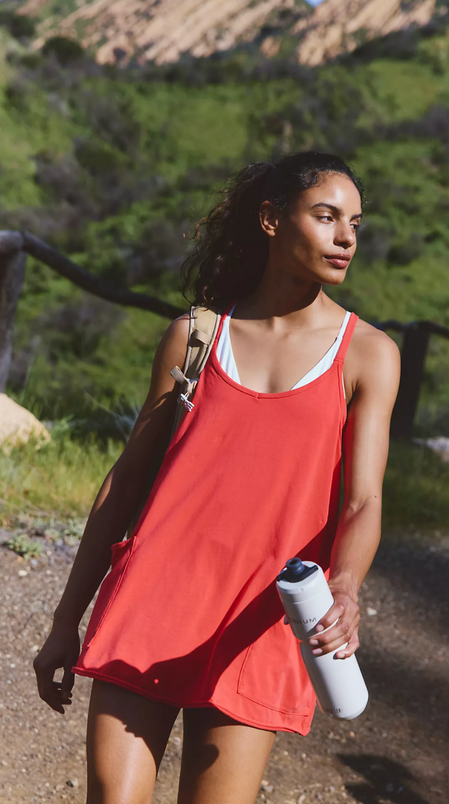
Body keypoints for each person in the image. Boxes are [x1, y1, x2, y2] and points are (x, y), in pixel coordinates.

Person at [33, 151, 401, 804]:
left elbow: (363, 500)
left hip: (257, 624)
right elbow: (124, 485)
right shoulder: (195, 337)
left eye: (354, 224)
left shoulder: (368, 355)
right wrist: (67, 620)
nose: (345, 237)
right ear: (271, 219)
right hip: (149, 603)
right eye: (325, 217)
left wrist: (344, 586)